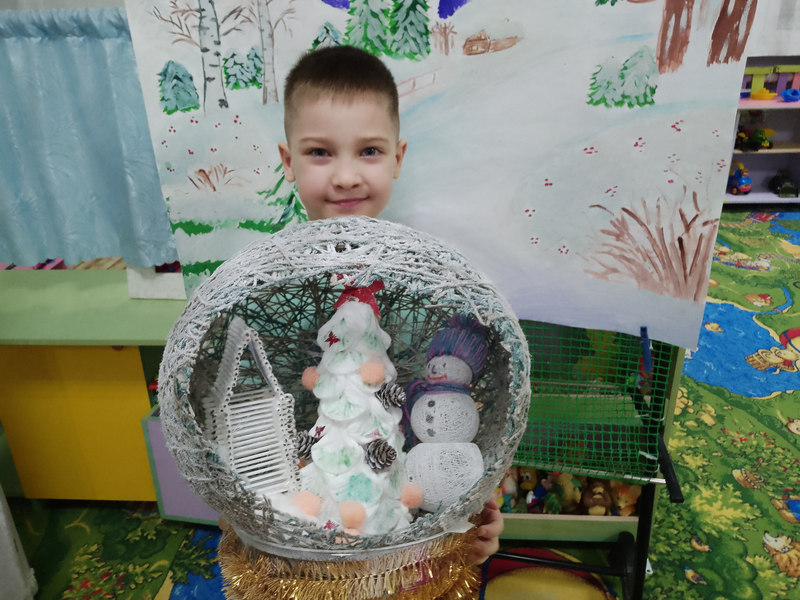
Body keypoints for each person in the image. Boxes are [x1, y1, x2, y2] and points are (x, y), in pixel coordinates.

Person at [277, 45, 503, 565]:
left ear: (397, 158)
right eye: (320, 152)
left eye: (369, 151)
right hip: (303, 534)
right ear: (288, 161)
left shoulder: (425, 287)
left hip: (407, 528)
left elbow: (450, 414)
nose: (346, 176)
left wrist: (467, 508)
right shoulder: (271, 287)